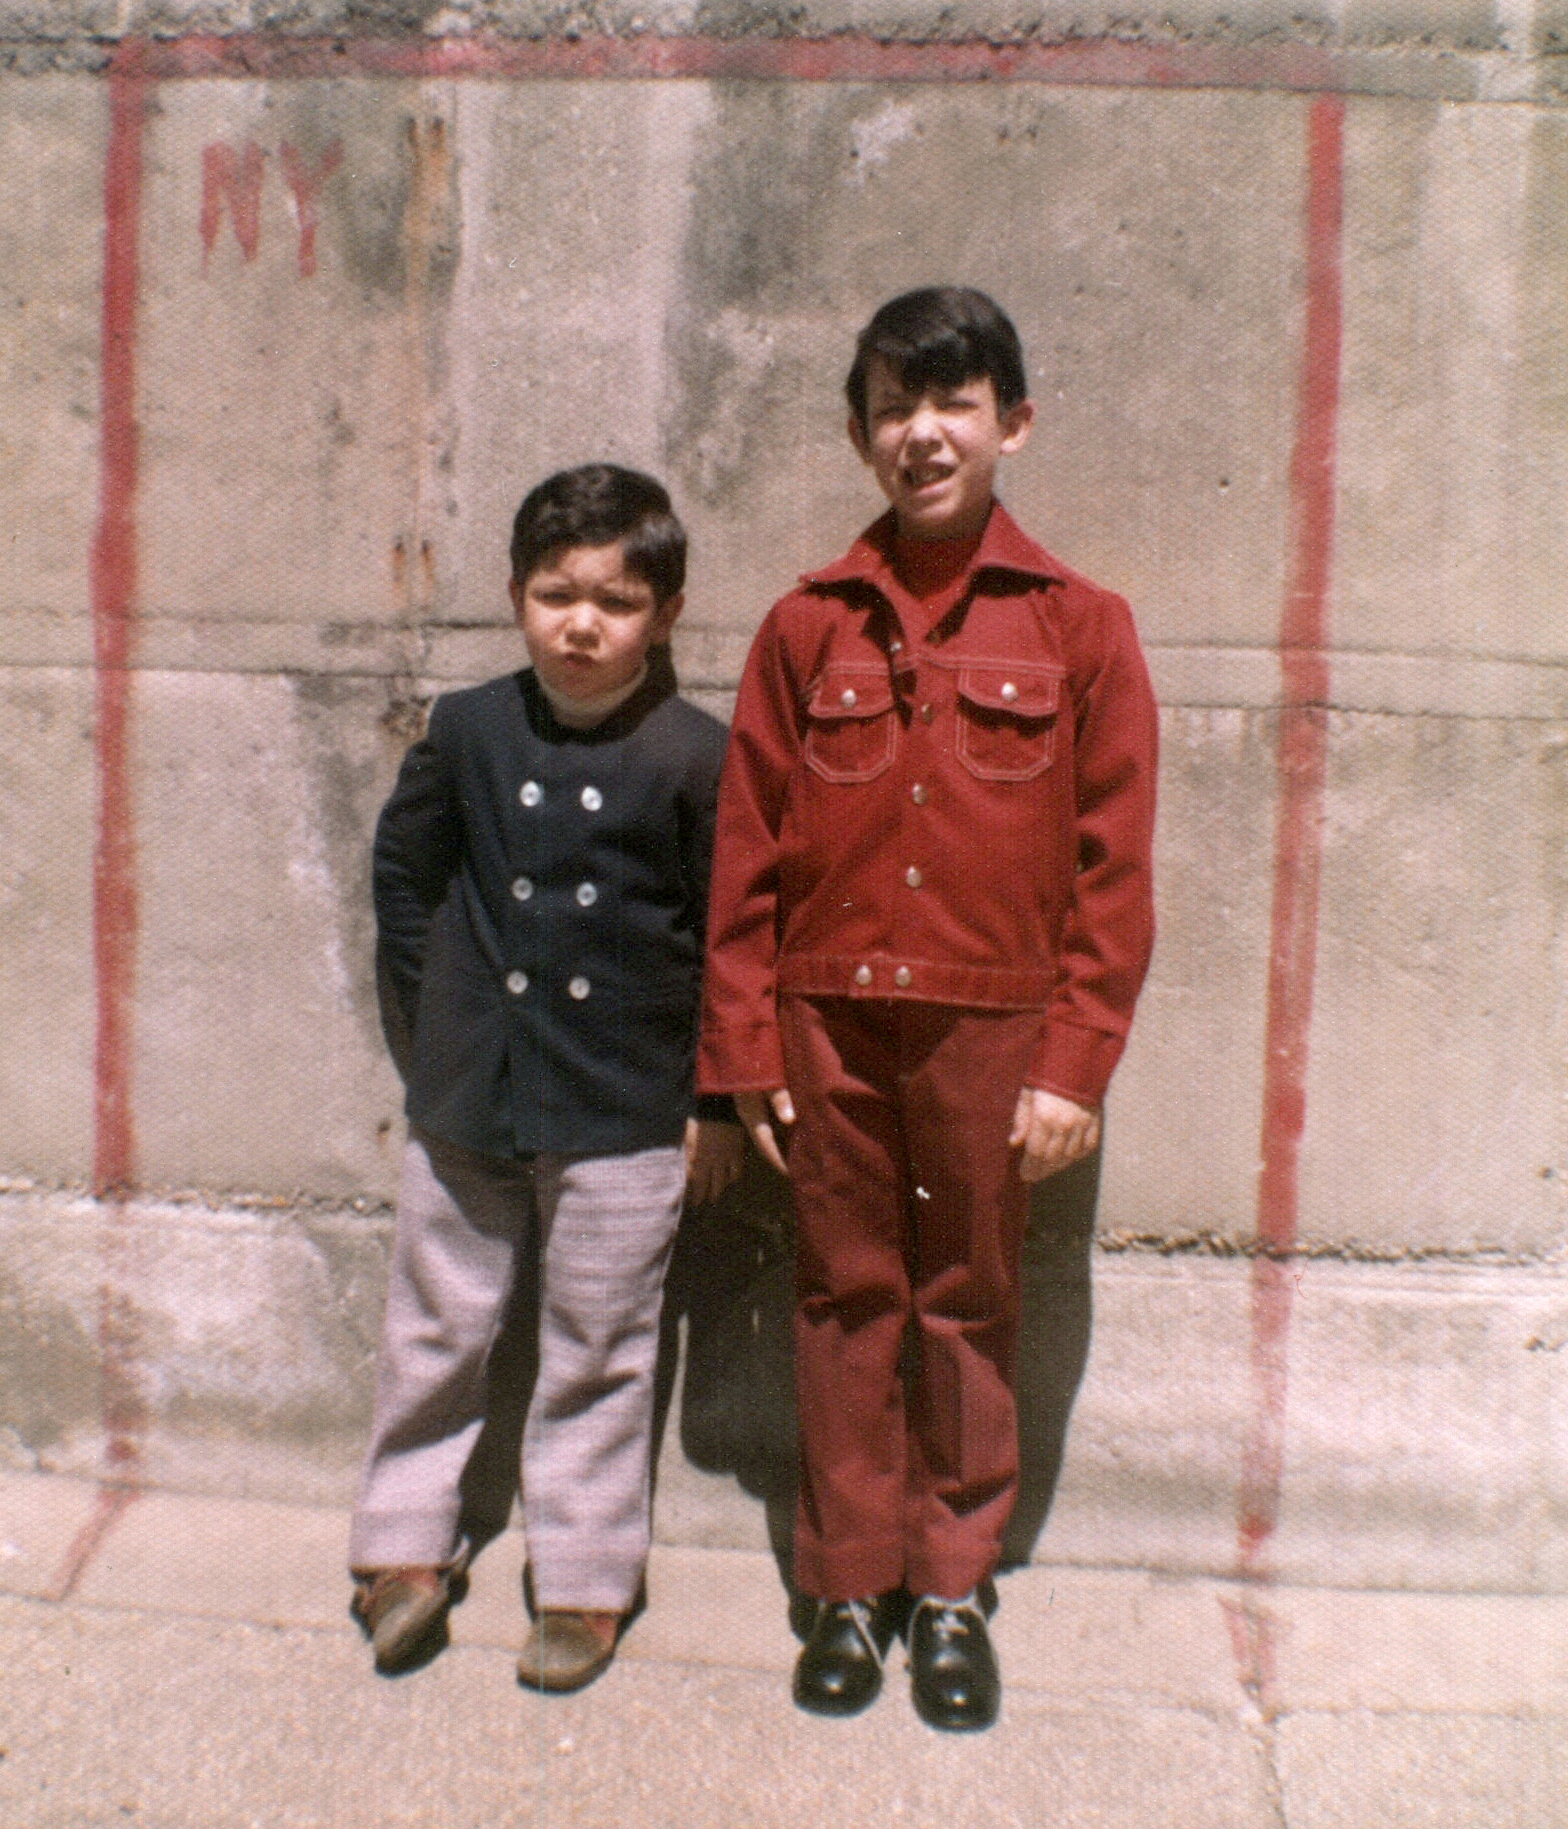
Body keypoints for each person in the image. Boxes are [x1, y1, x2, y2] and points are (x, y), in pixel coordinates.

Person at [697, 287, 1157, 1731]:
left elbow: (1114, 868)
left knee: (967, 1305)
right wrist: (744, 1051)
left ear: (1013, 423)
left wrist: (1074, 1064)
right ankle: (847, 1584)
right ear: (859, 433)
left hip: (991, 1033)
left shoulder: (1083, 629)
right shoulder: (803, 627)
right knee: (843, 1297)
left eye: (956, 402)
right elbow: (747, 852)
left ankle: (952, 1587)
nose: (924, 432)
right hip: (829, 1028)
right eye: (896, 404)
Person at [352, 463, 744, 1692]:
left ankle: (581, 1575)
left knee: (600, 1340)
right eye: (554, 592)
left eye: (617, 600)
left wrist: (715, 1101)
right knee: (438, 1321)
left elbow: (736, 938)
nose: (582, 623)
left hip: (624, 1107)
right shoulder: (469, 728)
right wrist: (442, 1026)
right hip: (471, 1096)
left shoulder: (696, 755)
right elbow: (406, 882)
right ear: (516, 596)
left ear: (664, 615)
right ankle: (404, 1550)